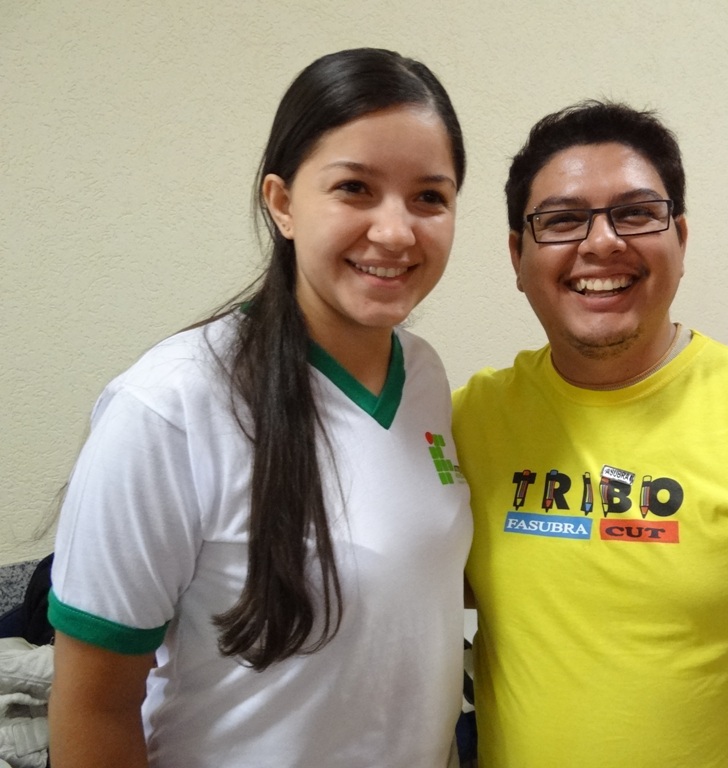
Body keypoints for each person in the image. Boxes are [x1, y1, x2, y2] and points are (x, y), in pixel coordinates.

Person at [47, 48, 472, 768]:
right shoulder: (171, 407)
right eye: (355, 188)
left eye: (430, 197)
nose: (396, 231)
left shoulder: (425, 376)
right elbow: (94, 706)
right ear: (282, 203)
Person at [452, 101, 728, 767]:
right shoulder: (468, 421)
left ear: (681, 240)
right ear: (518, 257)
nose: (601, 242)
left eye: (636, 213)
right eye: (562, 220)